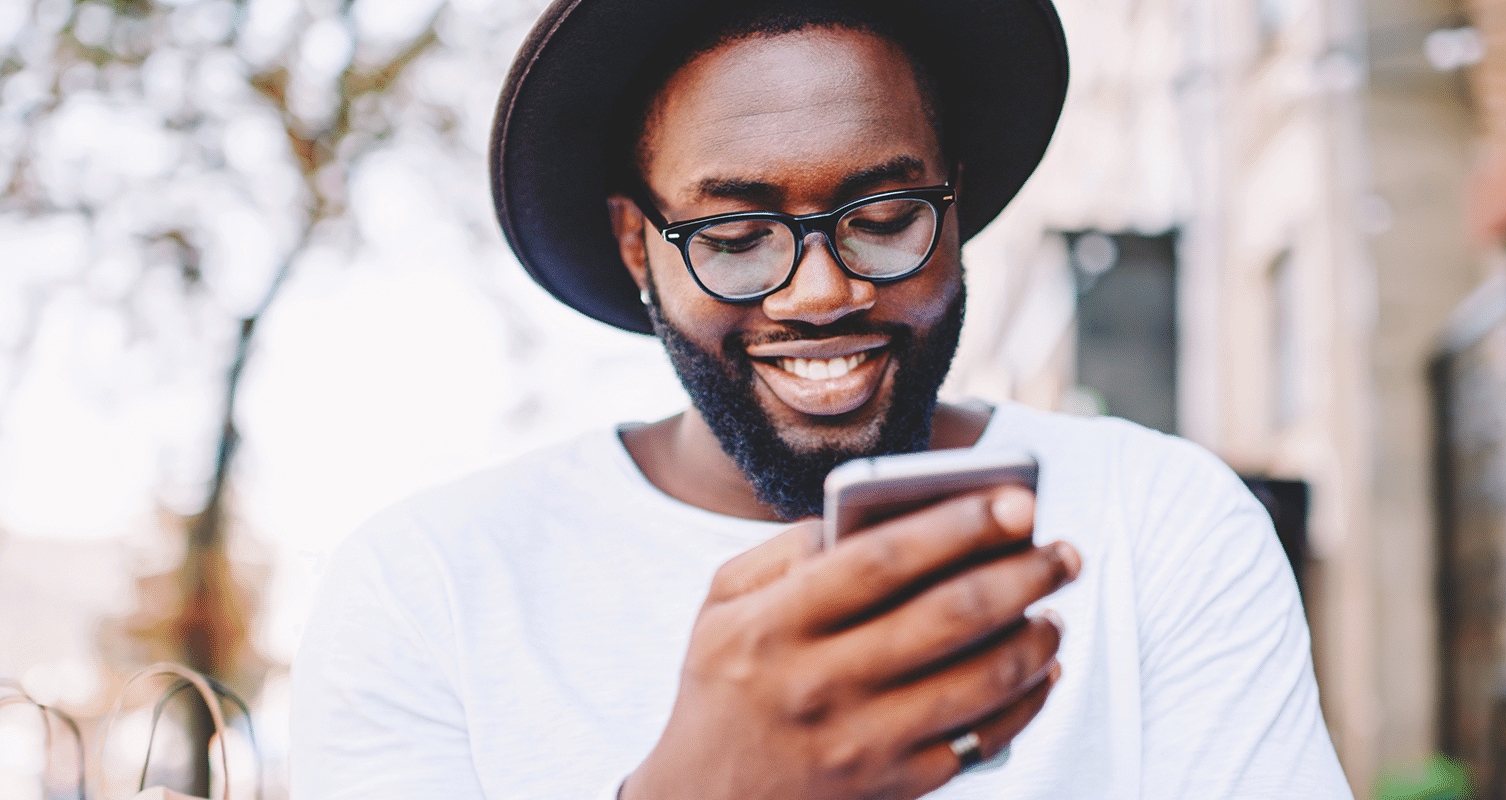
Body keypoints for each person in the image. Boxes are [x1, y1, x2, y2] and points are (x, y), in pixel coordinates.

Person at [290, 1, 1353, 798]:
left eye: (884, 213)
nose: (823, 289)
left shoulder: (1158, 519)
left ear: (957, 202)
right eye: (736, 234)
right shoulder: (425, 587)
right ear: (636, 246)